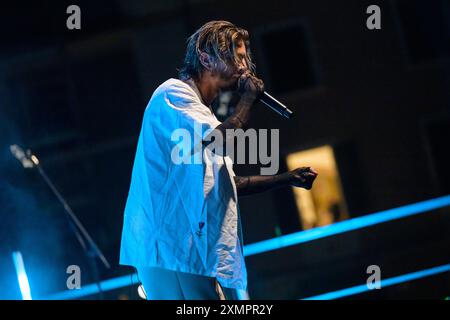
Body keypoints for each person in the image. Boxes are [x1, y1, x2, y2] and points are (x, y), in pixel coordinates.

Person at [119, 20, 318, 300]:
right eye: (236, 57)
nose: (244, 66)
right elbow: (218, 141)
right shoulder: (172, 95)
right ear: (205, 57)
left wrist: (285, 179)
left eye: (245, 58)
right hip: (167, 241)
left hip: (184, 242)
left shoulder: (202, 114)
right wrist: (247, 100)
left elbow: (228, 183)